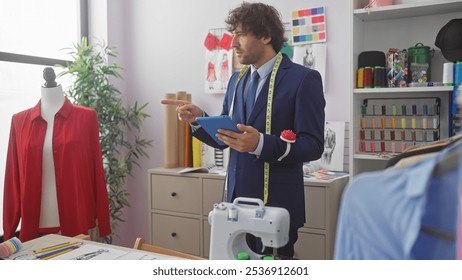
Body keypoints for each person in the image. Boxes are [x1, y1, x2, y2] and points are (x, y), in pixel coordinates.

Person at [161, 2, 325, 258]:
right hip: (235, 203)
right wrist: (200, 119)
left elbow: (313, 145)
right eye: (233, 35)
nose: (233, 44)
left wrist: (260, 144)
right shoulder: (237, 80)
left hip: (277, 204)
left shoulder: (304, 79)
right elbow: (228, 138)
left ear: (266, 36)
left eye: (241, 35)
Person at [3, 68, 111, 242]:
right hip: (36, 219)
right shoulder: (19, 121)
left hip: (76, 215)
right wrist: (9, 228)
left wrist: (103, 222)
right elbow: (12, 179)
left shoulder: (86, 117)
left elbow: (96, 171)